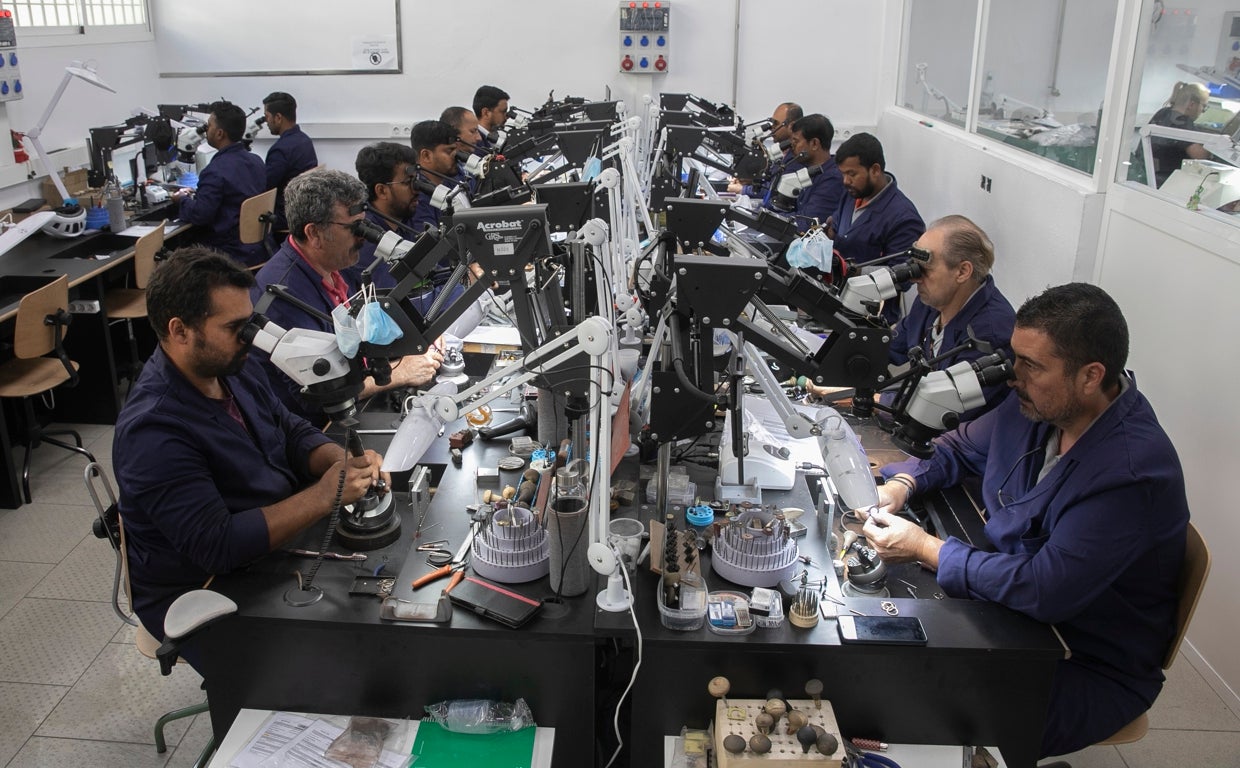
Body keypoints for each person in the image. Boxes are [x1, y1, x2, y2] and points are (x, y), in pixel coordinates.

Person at [861, 283, 1188, 758]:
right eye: (1016, 357)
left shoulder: (1131, 473)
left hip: (1082, 661)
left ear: (1091, 376)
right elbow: (959, 447)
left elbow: (1044, 588)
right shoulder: (1039, 403)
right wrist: (902, 486)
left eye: (1031, 365)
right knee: (879, 662)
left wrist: (926, 548)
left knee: (891, 703)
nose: (1013, 376)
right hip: (1014, 620)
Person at [113, 246, 388, 648]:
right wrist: (323, 496)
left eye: (251, 322)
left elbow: (289, 429)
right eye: (236, 327)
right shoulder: (152, 432)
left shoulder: (230, 367)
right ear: (179, 331)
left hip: (267, 544)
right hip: (203, 589)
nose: (251, 337)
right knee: (349, 647)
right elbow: (218, 545)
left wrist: (337, 460)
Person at [252, 169, 440, 425]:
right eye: (354, 228)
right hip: (320, 428)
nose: (363, 237)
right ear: (314, 234)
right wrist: (401, 372)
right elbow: (316, 396)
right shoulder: (284, 297)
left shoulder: (334, 268)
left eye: (365, 224)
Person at [886, 215, 1014, 420]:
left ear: (962, 271)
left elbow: (942, 411)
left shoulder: (990, 334)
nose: (915, 277)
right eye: (914, 265)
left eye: (925, 268)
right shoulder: (931, 301)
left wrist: (877, 400)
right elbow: (890, 347)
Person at [827, 132, 924, 320]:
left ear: (875, 170)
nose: (845, 181)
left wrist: (854, 269)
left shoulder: (904, 218)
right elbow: (839, 229)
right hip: (834, 298)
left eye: (852, 174)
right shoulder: (852, 193)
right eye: (843, 174)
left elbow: (903, 278)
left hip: (869, 315)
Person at [172, 101, 267, 266]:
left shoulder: (215, 171)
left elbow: (201, 215)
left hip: (230, 252)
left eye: (208, 126)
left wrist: (182, 200)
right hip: (258, 247)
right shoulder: (257, 161)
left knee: (178, 247)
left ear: (219, 133)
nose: (206, 130)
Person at [262, 91, 319, 235]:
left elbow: (265, 186)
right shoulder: (304, 140)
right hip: (303, 209)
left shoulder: (280, 150)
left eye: (267, 117)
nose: (266, 122)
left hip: (284, 216)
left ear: (278, 117)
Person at [783, 113, 844, 231]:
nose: (792, 147)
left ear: (814, 144)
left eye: (796, 141)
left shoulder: (832, 179)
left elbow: (807, 223)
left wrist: (769, 221)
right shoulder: (810, 170)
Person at [1146, 81, 1211, 187]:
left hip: (1147, 175)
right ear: (1191, 105)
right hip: (1164, 182)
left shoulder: (1163, 112)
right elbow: (1200, 155)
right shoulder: (1183, 123)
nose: (1202, 111)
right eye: (1204, 106)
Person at [410, 119, 467, 234]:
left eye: (456, 149)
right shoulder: (417, 197)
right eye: (449, 150)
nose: (456, 155)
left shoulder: (451, 182)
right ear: (426, 156)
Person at [472, 85, 511, 151]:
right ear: (486, 112)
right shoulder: (475, 143)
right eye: (503, 112)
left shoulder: (494, 139)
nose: (507, 117)